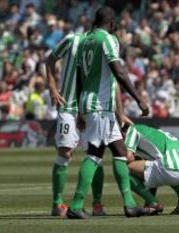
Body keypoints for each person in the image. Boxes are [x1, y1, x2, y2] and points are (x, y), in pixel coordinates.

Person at [67, 6, 149, 219]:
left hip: (91, 104)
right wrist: (139, 98)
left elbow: (78, 76)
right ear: (112, 23)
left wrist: (79, 109)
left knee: (121, 152)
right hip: (100, 106)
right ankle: (76, 205)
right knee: (95, 154)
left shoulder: (84, 41)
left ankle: (130, 204)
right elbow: (118, 70)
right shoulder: (108, 39)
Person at [45, 31, 107, 217]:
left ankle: (97, 203)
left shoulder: (104, 45)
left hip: (90, 108)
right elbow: (50, 60)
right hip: (68, 106)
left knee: (95, 154)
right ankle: (57, 204)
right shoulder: (72, 39)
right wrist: (52, 86)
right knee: (65, 153)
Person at [123, 124, 179, 215]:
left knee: (123, 169)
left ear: (123, 132)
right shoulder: (154, 133)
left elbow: (128, 157)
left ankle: (153, 203)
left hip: (169, 169)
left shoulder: (132, 129)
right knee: (153, 166)